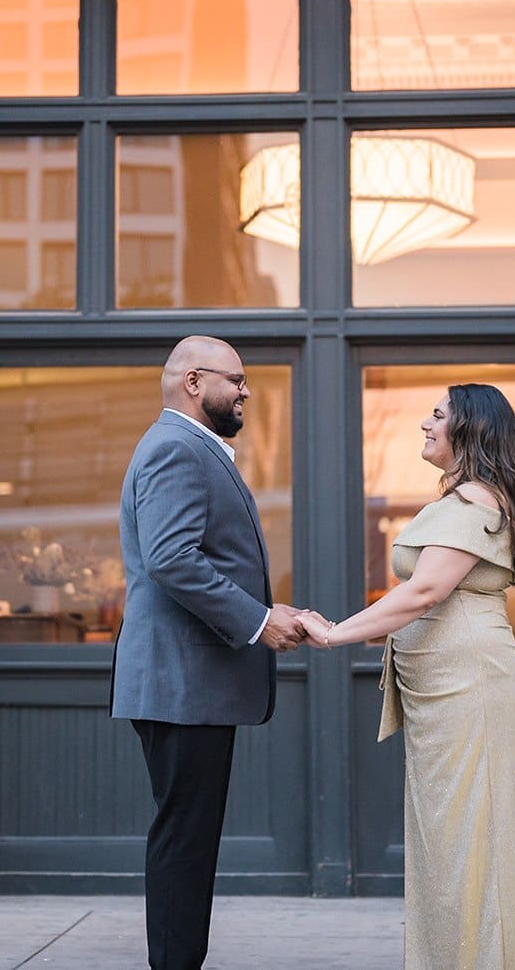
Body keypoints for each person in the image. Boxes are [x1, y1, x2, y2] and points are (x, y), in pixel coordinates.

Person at [300, 383, 515, 970]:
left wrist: (334, 632)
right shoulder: (470, 501)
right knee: (452, 838)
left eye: (437, 415)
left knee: (467, 837)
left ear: (471, 430)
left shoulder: (476, 503)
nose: (423, 424)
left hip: (469, 685)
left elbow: (426, 590)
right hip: (450, 686)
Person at [110, 335, 310, 970]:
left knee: (189, 835)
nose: (246, 390)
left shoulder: (191, 447)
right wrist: (256, 622)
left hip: (187, 680)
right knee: (185, 838)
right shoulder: (176, 448)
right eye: (237, 379)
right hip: (182, 681)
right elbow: (172, 558)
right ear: (194, 382)